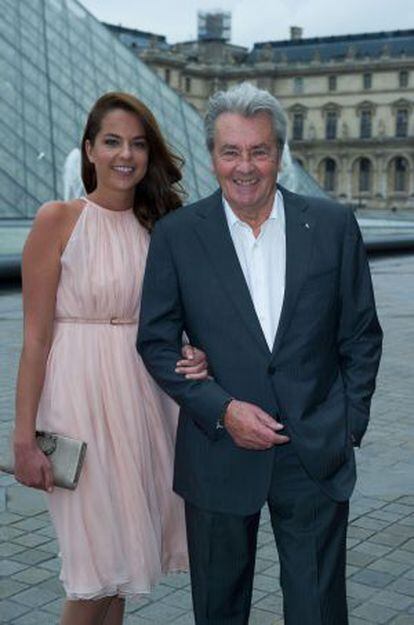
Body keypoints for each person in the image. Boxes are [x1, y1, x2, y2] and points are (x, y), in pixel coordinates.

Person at [137, 82, 383, 625]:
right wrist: (220, 409)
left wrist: (347, 424)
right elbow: (155, 342)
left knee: (318, 611)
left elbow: (362, 336)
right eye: (231, 151)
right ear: (213, 156)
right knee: (219, 612)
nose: (244, 166)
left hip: (314, 452)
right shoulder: (177, 236)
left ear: (279, 153)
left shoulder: (334, 227)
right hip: (217, 451)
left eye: (259, 150)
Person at [13, 92, 209, 625]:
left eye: (138, 144)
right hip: (78, 398)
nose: (126, 155)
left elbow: (174, 319)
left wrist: (193, 351)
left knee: (119, 570)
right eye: (113, 141)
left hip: (144, 400)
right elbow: (34, 339)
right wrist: (24, 437)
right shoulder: (58, 219)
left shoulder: (161, 227)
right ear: (90, 150)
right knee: (96, 568)